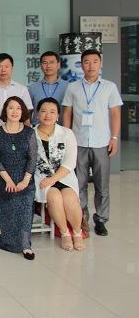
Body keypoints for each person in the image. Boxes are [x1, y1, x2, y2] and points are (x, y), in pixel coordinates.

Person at [62, 49, 122, 236]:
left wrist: (114, 138)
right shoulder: (73, 87)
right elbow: (68, 113)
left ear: (100, 64)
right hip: (78, 142)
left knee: (102, 184)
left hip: (102, 142)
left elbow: (115, 114)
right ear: (81, 65)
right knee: (78, 183)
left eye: (95, 62)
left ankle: (101, 219)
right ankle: (82, 217)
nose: (91, 66)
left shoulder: (109, 87)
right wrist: (66, 139)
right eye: (86, 62)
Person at [34, 98, 85, 252]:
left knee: (70, 198)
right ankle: (65, 233)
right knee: (55, 198)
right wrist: (48, 180)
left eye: (52, 112)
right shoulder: (31, 133)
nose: (47, 115)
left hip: (64, 176)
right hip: (42, 178)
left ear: (57, 116)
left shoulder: (67, 133)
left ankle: (77, 232)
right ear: (37, 113)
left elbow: (70, 162)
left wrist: (54, 179)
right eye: (44, 111)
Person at [0, 97, 37, 260]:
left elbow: (32, 159)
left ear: (23, 111)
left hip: (24, 178)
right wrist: (8, 180)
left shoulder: (29, 132)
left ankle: (25, 245)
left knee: (24, 205)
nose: (15, 111)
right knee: (9, 200)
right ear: (5, 110)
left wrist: (25, 180)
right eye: (11, 108)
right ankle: (6, 241)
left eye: (18, 108)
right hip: (3, 177)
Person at [0, 53, 32, 129]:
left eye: (6, 66)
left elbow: (27, 114)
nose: (3, 70)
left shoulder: (22, 89)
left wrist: (27, 131)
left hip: (17, 131)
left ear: (12, 68)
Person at [28, 51, 68, 125]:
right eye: (45, 63)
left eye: (52, 62)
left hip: (61, 129)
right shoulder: (33, 88)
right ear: (41, 65)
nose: (48, 66)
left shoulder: (68, 87)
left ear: (58, 65)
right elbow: (28, 112)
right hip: (37, 129)